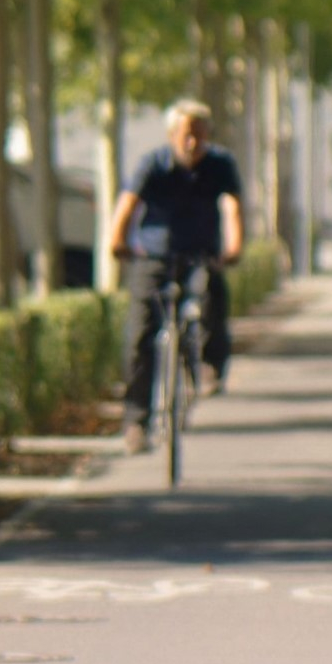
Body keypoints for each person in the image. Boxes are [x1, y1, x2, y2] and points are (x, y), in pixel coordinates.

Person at [109, 98, 243, 455]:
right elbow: (128, 203)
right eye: (186, 135)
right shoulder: (152, 164)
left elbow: (231, 207)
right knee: (140, 333)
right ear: (172, 135)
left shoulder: (220, 165)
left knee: (214, 293)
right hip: (155, 256)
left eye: (199, 135)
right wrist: (117, 240)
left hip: (200, 254)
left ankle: (212, 364)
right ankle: (136, 421)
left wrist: (233, 246)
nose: (192, 143)